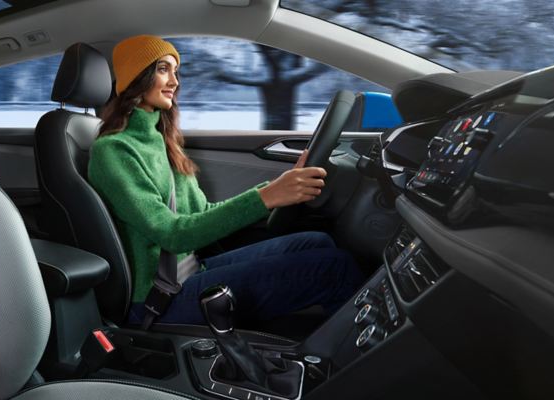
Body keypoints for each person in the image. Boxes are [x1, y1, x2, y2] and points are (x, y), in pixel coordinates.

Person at [88, 35, 363, 326]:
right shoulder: (113, 151)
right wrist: (267, 197)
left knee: (316, 242)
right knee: (335, 269)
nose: (175, 82)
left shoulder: (161, 140)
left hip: (189, 270)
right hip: (158, 297)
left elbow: (201, 213)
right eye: (163, 69)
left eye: (176, 71)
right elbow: (172, 234)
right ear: (135, 77)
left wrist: (275, 191)